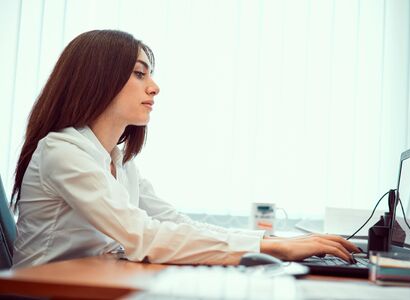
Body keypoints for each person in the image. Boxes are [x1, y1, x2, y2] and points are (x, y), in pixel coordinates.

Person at [11, 30, 358, 268]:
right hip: (48, 291)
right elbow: (142, 237)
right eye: (139, 74)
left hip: (93, 282)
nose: (155, 87)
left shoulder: (120, 162)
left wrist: (273, 240)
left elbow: (173, 222)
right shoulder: (63, 151)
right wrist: (271, 248)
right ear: (96, 78)